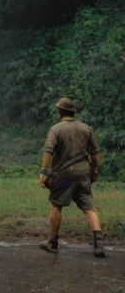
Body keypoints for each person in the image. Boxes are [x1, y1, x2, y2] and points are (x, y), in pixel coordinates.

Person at [38, 97, 105, 257]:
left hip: (63, 175)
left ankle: (52, 243)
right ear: (73, 112)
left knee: (56, 206)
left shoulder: (56, 129)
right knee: (90, 208)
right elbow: (95, 153)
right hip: (83, 173)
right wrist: (94, 171)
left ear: (60, 112)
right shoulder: (86, 128)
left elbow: (48, 151)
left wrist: (43, 171)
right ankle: (99, 245)